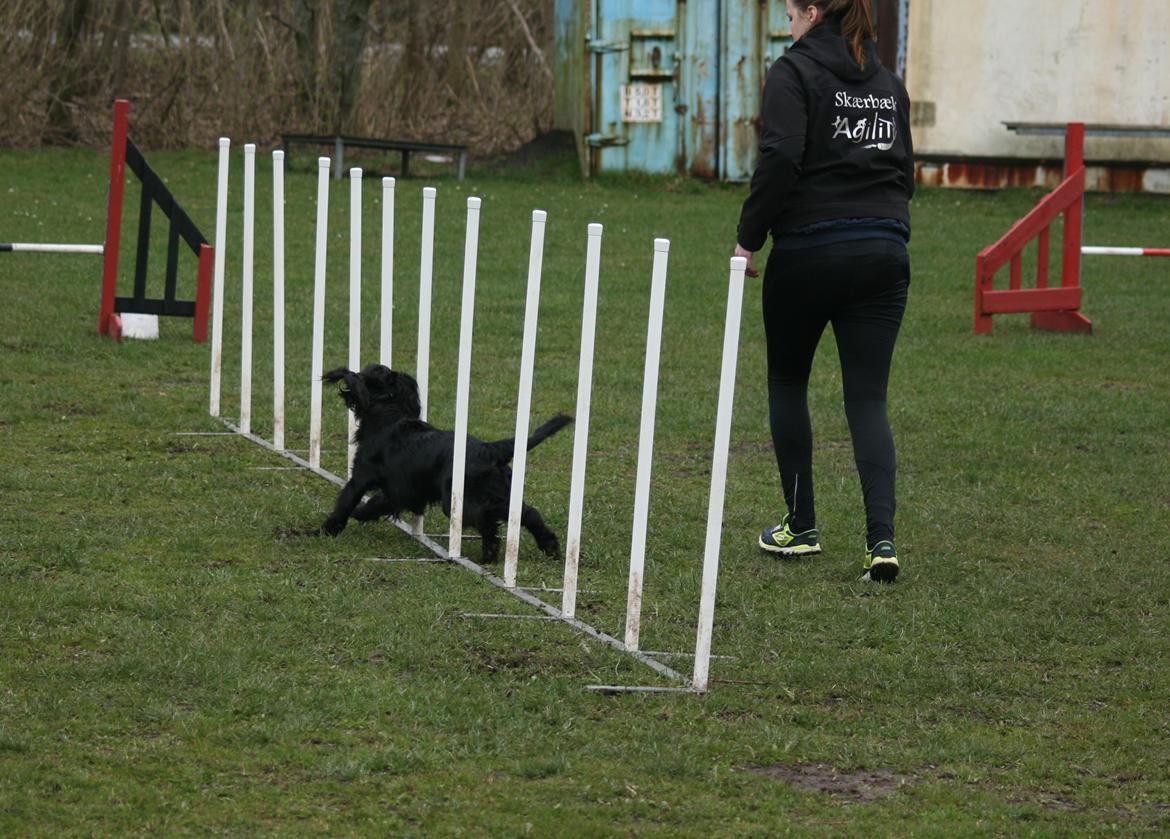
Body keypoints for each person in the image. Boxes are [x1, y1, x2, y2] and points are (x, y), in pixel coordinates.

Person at [734, 0, 914, 582]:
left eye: (790, 13)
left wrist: (748, 238)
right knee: (867, 399)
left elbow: (782, 155)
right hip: (884, 251)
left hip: (809, 252)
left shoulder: (793, 70)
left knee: (789, 380)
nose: (788, 25)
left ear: (812, 12)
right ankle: (881, 543)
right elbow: (905, 168)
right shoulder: (887, 82)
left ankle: (801, 524)